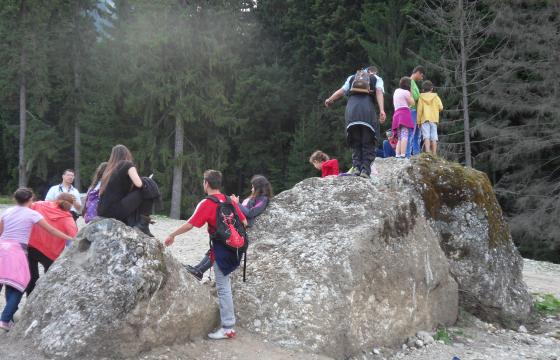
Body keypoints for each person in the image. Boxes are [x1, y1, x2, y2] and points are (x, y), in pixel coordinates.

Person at [165, 170, 248, 340]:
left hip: (221, 250)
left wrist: (172, 235)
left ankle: (228, 328)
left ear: (206, 183)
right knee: (225, 283)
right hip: (236, 249)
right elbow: (244, 222)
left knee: (223, 287)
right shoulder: (229, 201)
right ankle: (228, 325)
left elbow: (190, 225)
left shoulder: (207, 203)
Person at [0, 188, 74, 331]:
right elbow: (51, 230)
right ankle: (4, 319)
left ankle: (8, 318)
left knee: (4, 281)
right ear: (30, 199)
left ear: (15, 199)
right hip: (17, 251)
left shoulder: (7, 211)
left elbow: (1, 231)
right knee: (17, 285)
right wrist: (70, 238)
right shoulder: (33, 214)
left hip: (3, 248)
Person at [185, 175, 273, 281]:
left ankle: (199, 271)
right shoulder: (254, 198)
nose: (251, 189)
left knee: (218, 250)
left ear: (259, 188)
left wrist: (236, 204)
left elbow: (250, 213)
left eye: (253, 187)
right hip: (234, 225)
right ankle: (198, 268)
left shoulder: (263, 199)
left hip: (240, 229)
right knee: (214, 249)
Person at [324, 66, 386, 178]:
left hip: (352, 111)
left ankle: (357, 168)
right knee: (368, 141)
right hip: (367, 111)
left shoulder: (352, 78)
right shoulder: (376, 78)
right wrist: (382, 110)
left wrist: (330, 99)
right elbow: (379, 92)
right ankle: (365, 170)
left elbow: (342, 91)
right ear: (372, 72)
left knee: (355, 140)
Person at [96, 145, 155, 237]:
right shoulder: (127, 164)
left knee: (135, 193)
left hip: (103, 211)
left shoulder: (108, 169)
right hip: (115, 210)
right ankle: (143, 224)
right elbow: (139, 184)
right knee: (148, 186)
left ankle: (142, 220)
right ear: (126, 154)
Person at [26, 193, 78, 295]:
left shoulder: (39, 205)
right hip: (51, 253)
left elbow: (26, 211)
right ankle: (46, 298)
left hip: (31, 246)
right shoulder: (67, 217)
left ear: (56, 199)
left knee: (31, 277)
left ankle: (29, 300)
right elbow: (75, 237)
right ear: (70, 205)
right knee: (50, 279)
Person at [417, 81, 444, 155]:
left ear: (423, 90)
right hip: (434, 119)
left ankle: (428, 153)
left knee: (426, 137)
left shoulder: (421, 98)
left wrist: (418, 122)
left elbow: (419, 110)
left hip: (424, 119)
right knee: (434, 137)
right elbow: (441, 107)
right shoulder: (436, 97)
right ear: (432, 88)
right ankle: (434, 154)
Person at [392, 77, 416, 158]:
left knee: (399, 137)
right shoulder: (406, 92)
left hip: (396, 115)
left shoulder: (396, 91)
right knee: (404, 135)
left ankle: (397, 154)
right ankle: (403, 155)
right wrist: (411, 92)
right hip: (404, 114)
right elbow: (412, 103)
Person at [406, 66, 425, 157]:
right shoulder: (409, 82)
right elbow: (413, 96)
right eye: (421, 76)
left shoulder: (414, 83)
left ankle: (417, 155)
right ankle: (408, 155)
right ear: (417, 72)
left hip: (416, 111)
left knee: (417, 134)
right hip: (411, 110)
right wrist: (421, 97)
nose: (421, 78)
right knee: (411, 133)